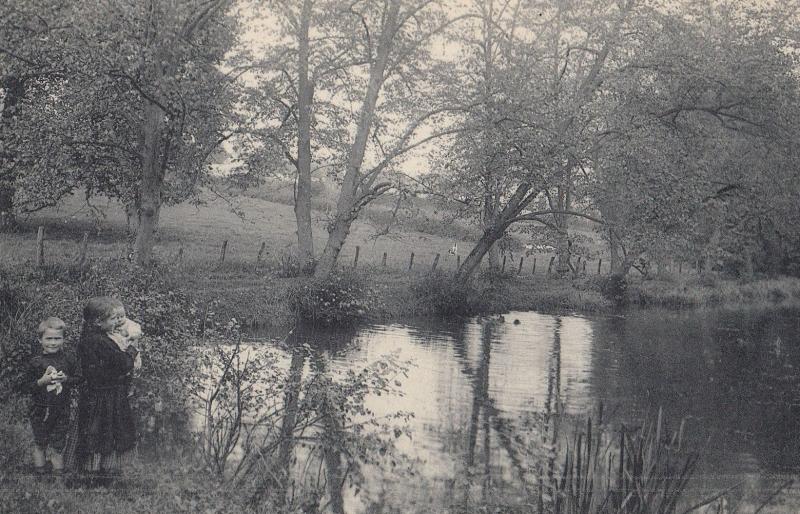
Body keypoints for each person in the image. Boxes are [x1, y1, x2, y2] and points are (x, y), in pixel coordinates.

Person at [74, 297, 139, 485]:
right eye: (112, 319)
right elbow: (123, 364)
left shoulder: (87, 338)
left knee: (93, 432)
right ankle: (104, 474)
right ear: (98, 322)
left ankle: (90, 472)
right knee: (108, 431)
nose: (117, 322)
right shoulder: (102, 342)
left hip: (92, 394)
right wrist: (132, 349)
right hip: (107, 396)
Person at [24, 317, 82, 478]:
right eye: (49, 338)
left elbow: (78, 378)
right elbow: (26, 387)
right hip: (40, 409)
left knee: (58, 444)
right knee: (40, 442)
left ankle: (58, 478)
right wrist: (42, 381)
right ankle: (40, 473)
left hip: (61, 409)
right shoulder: (35, 362)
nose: (53, 342)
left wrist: (66, 380)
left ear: (63, 339)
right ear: (40, 339)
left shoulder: (68, 359)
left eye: (57, 338)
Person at [108, 318, 143, 397]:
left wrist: (130, 337)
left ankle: (132, 384)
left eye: (122, 316)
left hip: (130, 350)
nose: (119, 319)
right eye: (117, 317)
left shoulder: (129, 324)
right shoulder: (111, 327)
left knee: (134, 366)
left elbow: (137, 332)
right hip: (123, 352)